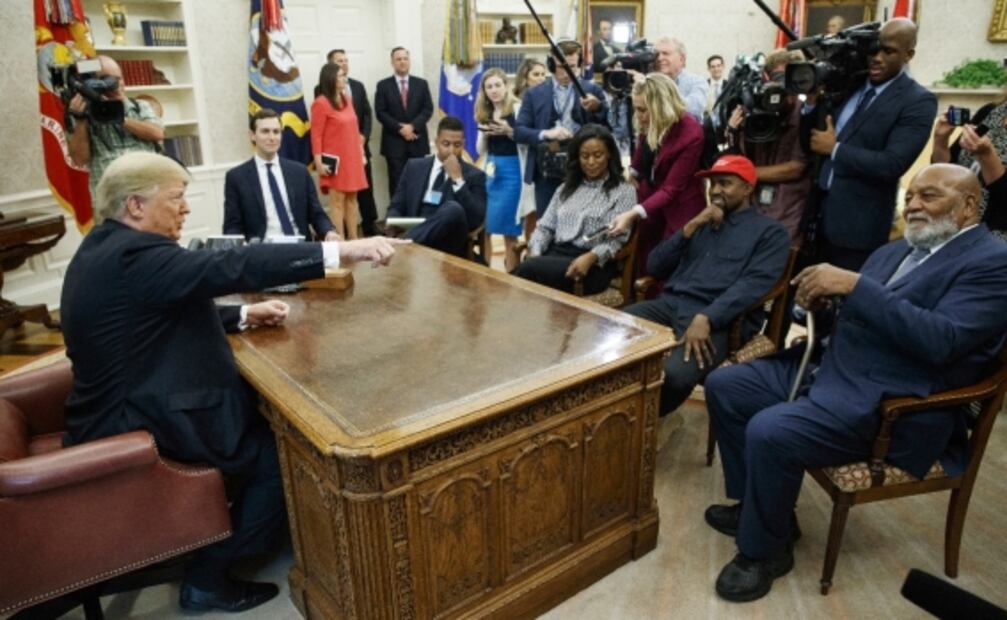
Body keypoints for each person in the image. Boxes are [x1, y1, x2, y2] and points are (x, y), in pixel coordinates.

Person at [60, 151, 408, 613]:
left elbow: (151, 311)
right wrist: (344, 249)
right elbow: (235, 265)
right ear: (136, 206)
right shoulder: (135, 256)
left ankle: (226, 531)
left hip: (117, 401)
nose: (185, 208)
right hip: (135, 419)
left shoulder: (104, 245)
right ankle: (209, 576)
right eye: (177, 198)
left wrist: (242, 313)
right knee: (283, 456)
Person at [702, 164, 1007, 603]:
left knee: (770, 431)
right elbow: (853, 313)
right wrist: (822, 308)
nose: (914, 205)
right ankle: (764, 511)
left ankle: (763, 552)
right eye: (910, 196)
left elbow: (945, 341)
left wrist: (856, 286)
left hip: (891, 400)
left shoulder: (991, 263)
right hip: (833, 366)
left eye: (929, 196)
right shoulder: (895, 249)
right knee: (726, 386)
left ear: (968, 207)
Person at [622, 155, 789, 416]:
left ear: (748, 188)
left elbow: (751, 286)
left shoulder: (769, 232)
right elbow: (654, 267)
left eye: (725, 183)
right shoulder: (701, 222)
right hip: (669, 306)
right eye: (713, 184)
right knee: (608, 330)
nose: (716, 190)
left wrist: (708, 316)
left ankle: (644, 424)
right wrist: (690, 226)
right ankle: (620, 417)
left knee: (674, 376)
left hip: (721, 321)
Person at [803, 17, 937, 271]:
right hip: (815, 218)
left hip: (858, 230)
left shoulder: (918, 101)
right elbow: (810, 142)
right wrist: (810, 105)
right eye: (873, 49)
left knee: (843, 304)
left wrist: (836, 149)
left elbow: (892, 164)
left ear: (908, 55)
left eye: (888, 51)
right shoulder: (847, 85)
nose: (877, 57)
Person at [608, 73, 706, 291]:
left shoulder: (691, 132)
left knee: (668, 267)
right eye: (636, 108)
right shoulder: (648, 120)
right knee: (645, 263)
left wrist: (633, 212)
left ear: (662, 106)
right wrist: (631, 174)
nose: (638, 115)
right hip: (650, 200)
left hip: (680, 207)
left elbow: (672, 189)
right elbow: (641, 155)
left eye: (643, 110)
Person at [513, 124, 637, 293]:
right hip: (554, 255)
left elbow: (616, 241)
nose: (591, 162)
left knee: (524, 273)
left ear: (609, 155)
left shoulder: (624, 191)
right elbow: (545, 227)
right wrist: (535, 251)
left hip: (592, 265)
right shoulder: (566, 188)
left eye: (597, 155)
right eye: (584, 156)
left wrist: (591, 257)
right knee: (529, 274)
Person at [722, 50, 811, 246]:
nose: (782, 87)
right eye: (777, 79)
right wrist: (736, 129)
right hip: (755, 211)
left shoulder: (805, 116)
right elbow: (744, 157)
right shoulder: (757, 112)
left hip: (788, 215)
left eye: (788, 79)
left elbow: (796, 168)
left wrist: (747, 173)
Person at [514, 40, 609, 219]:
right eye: (561, 67)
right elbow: (519, 132)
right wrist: (545, 134)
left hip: (585, 170)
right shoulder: (534, 94)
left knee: (581, 222)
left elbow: (610, 127)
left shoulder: (592, 90)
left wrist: (597, 108)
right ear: (551, 65)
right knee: (546, 224)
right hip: (546, 171)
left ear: (580, 64)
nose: (567, 73)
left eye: (572, 66)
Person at [66, 55, 164, 215]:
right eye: (108, 81)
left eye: (119, 78)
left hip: (148, 192)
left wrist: (118, 117)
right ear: (93, 85)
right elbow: (79, 159)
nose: (117, 85)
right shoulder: (81, 114)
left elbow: (157, 132)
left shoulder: (139, 106)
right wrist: (82, 121)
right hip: (110, 200)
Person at [224, 109, 338, 242]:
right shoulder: (236, 178)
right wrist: (240, 245)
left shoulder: (300, 172)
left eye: (276, 132)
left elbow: (317, 213)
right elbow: (232, 227)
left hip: (300, 246)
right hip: (262, 251)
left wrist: (328, 232)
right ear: (252, 135)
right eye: (265, 131)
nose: (272, 137)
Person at [385, 116, 487, 258]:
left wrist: (458, 180)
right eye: (446, 144)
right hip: (417, 228)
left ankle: (398, 248)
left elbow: (477, 218)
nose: (451, 151)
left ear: (463, 144)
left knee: (453, 209)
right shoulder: (414, 167)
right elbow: (396, 205)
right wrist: (393, 222)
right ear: (436, 142)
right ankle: (404, 244)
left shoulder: (475, 175)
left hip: (449, 239)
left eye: (457, 145)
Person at [316, 49, 381, 236]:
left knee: (353, 201)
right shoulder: (321, 102)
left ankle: (354, 240)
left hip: (352, 157)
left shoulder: (348, 99)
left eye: (344, 75)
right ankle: (340, 244)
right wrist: (319, 161)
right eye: (340, 75)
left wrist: (360, 152)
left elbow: (354, 128)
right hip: (335, 160)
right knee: (337, 202)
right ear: (331, 79)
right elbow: (317, 135)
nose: (344, 77)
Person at [931, 95, 1007, 238]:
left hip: (995, 237)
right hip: (951, 223)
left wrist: (987, 156)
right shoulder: (990, 111)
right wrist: (941, 139)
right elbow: (944, 171)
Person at [475, 68, 523, 271]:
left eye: (497, 85)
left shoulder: (518, 108)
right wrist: (485, 135)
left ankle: (513, 273)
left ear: (506, 86)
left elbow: (525, 141)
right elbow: (480, 150)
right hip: (492, 169)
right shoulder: (484, 113)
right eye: (489, 87)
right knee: (486, 226)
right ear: (484, 91)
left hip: (513, 170)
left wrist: (509, 131)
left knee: (508, 229)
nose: (494, 90)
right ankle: (485, 272)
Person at [374, 47, 433, 197]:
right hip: (394, 144)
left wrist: (412, 127)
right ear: (392, 62)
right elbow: (380, 112)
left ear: (409, 61)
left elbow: (427, 109)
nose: (402, 62)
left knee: (419, 181)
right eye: (398, 59)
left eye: (405, 59)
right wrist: (401, 129)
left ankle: (418, 216)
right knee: (397, 183)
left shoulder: (421, 84)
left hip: (417, 141)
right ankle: (397, 218)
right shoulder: (383, 85)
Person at [648, 37, 709, 121]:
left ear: (682, 59)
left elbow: (694, 108)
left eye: (666, 53)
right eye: (657, 54)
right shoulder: (649, 81)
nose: (659, 58)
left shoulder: (697, 81)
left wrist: (659, 98)